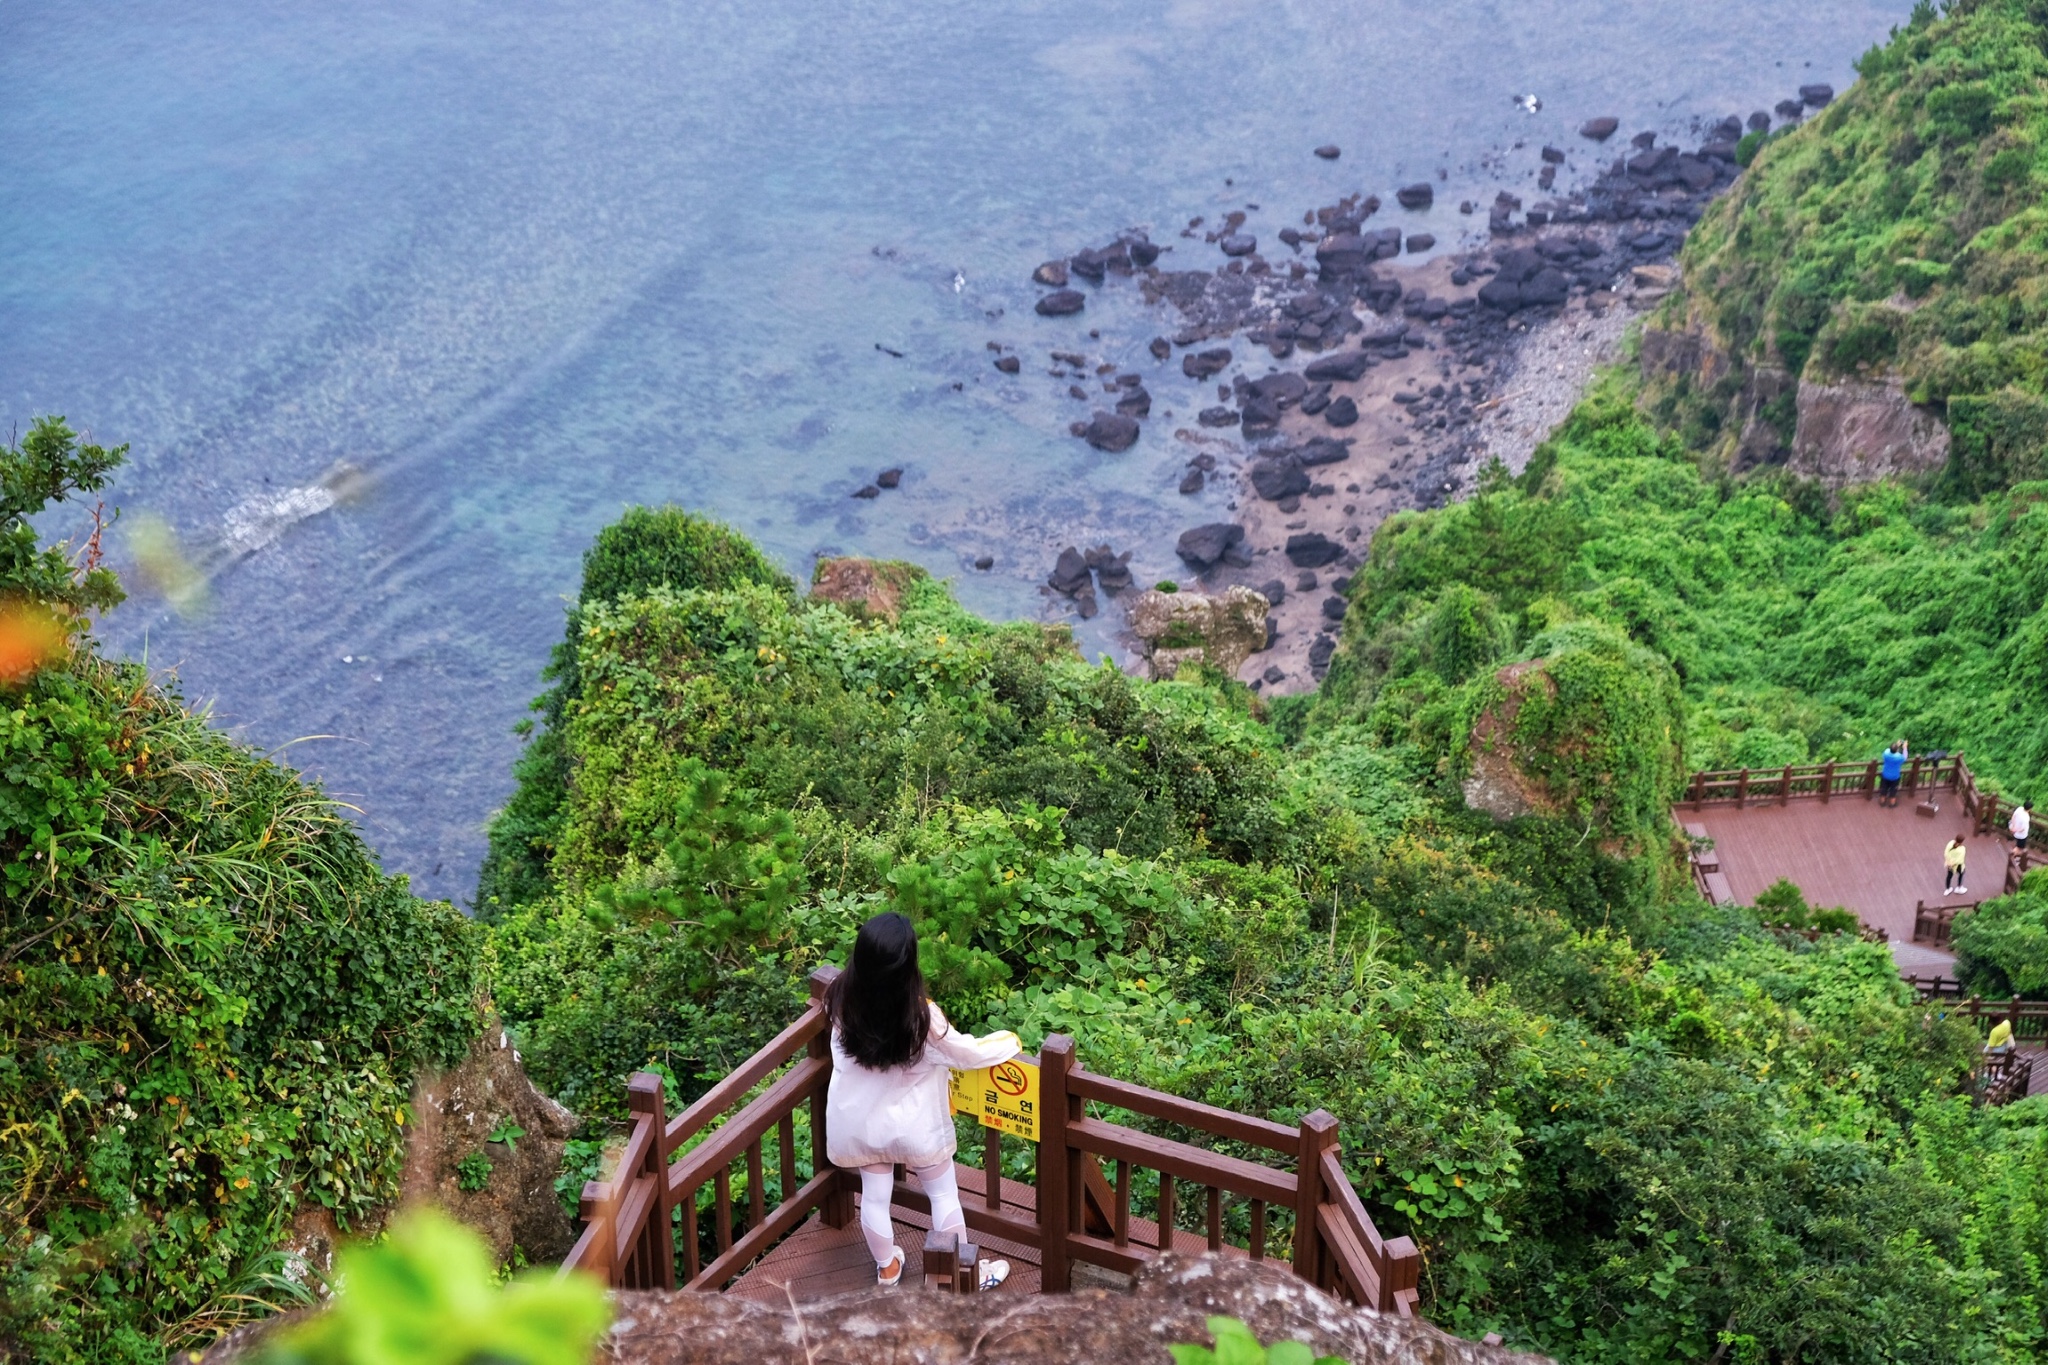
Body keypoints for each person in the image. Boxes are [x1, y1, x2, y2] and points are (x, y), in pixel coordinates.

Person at [824, 912, 1020, 1290]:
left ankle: (887, 1268)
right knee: (943, 1195)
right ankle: (964, 1276)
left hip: (861, 1122)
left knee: (875, 1198)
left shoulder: (838, 997)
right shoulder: (921, 1016)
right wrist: (1008, 1042)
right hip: (915, 1126)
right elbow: (965, 1053)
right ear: (907, 965)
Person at [1878, 741, 1907, 808]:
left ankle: (1882, 802)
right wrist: (1905, 748)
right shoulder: (1899, 757)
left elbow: (1889, 750)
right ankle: (1892, 804)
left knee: (1884, 789)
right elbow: (1905, 757)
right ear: (1897, 750)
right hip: (1895, 777)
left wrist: (1896, 745)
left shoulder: (1886, 754)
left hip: (1885, 775)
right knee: (1893, 790)